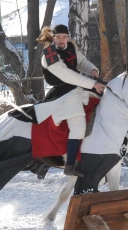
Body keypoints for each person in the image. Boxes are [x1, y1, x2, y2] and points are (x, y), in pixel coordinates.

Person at [40, 24, 106, 176]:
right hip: (61, 93)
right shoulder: (48, 55)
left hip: (76, 88)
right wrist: (93, 84)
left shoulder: (70, 47)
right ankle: (70, 165)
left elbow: (81, 62)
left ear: (68, 37)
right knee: (78, 126)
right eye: (58, 37)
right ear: (53, 38)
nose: (62, 40)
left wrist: (92, 69)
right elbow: (66, 75)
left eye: (64, 37)